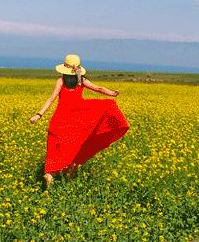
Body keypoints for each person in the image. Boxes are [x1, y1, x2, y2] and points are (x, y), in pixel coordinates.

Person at [30, 54, 129, 187]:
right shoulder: (81, 81)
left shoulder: (61, 81)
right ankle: (68, 177)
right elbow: (99, 89)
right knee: (76, 146)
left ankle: (49, 176)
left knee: (54, 149)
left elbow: (51, 99)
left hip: (59, 121)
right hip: (77, 121)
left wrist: (39, 114)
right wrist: (112, 93)